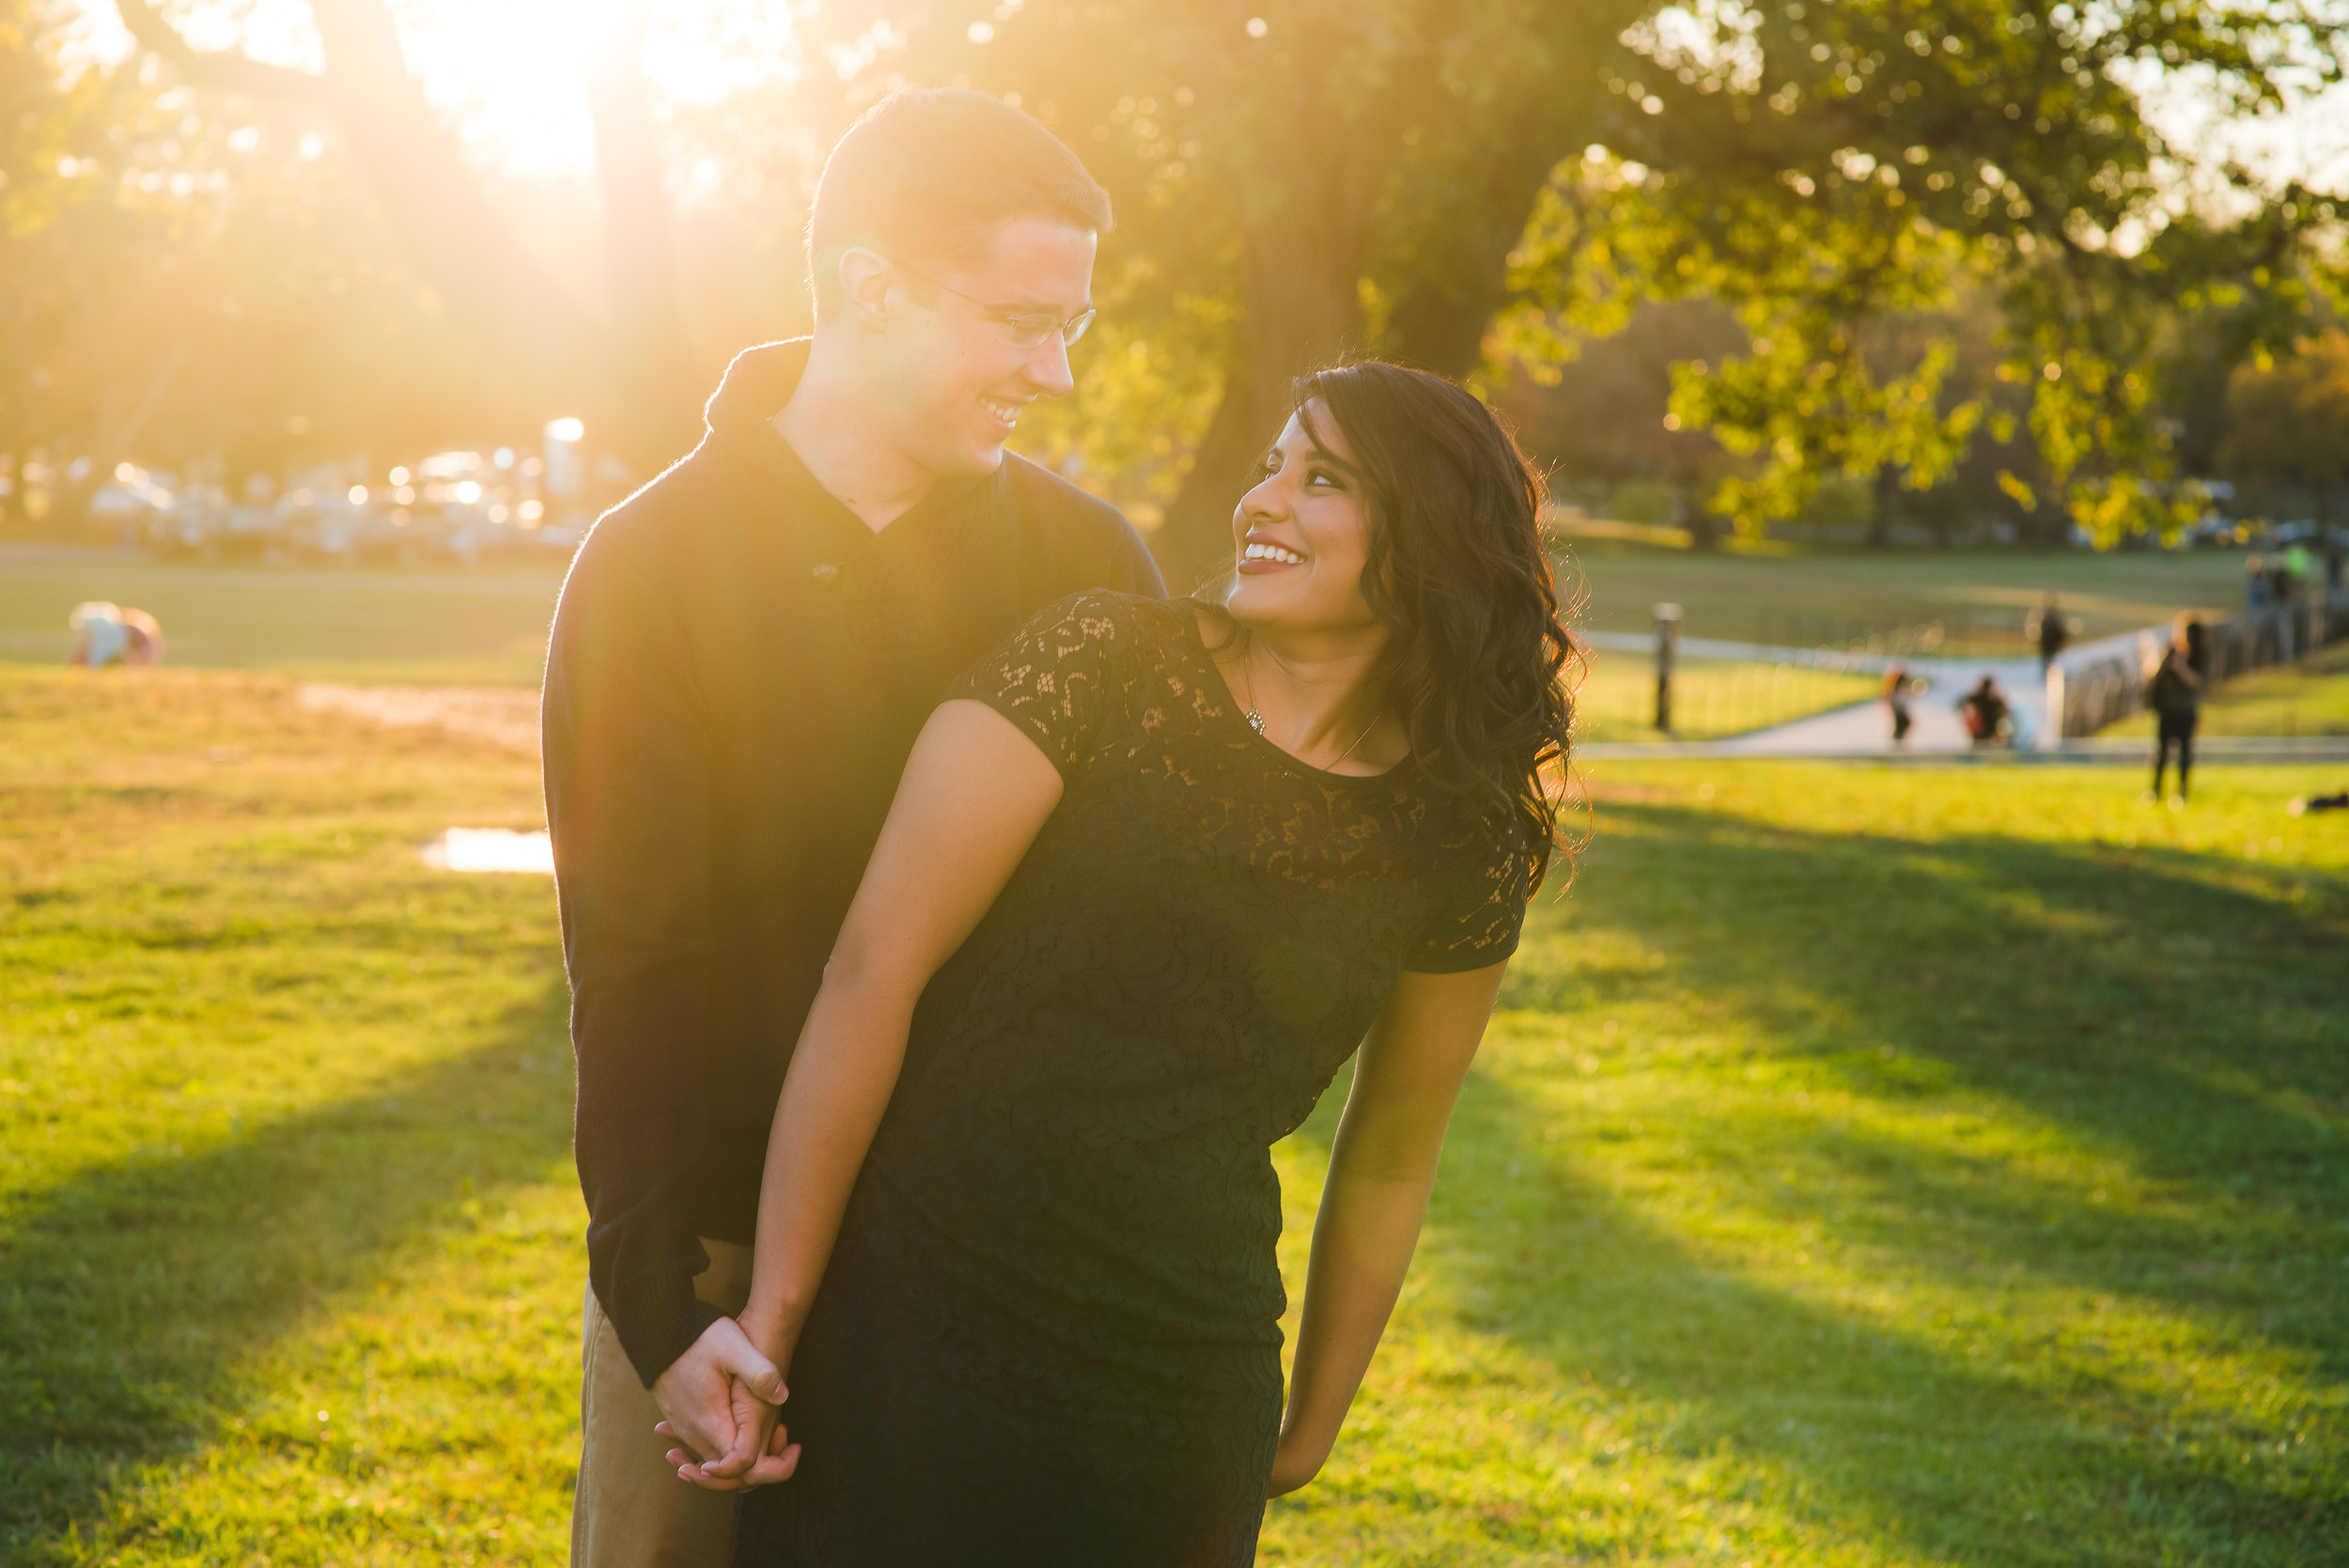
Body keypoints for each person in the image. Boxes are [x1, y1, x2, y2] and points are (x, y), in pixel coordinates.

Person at [692, 362, 1571, 1565]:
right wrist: (776, 1318)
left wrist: (1311, 1418)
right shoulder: (1098, 662)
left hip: (1177, 1376)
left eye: (1321, 478)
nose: (1262, 500)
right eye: (1268, 463)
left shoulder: (1452, 832)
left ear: (1427, 535)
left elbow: (1391, 1153)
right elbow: (868, 975)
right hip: (906, 1317)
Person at [541, 87, 1164, 1568]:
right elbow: (631, 964)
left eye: (1071, 326)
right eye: (1022, 320)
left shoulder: (1090, 566)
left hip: (1009, 1260)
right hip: (717, 1255)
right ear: (870, 288)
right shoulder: (648, 569)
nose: (1056, 372)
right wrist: (661, 1308)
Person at [2148, 618, 2205, 804]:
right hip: (2167, 710)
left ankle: (2182, 792)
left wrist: (2180, 668)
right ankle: (2156, 791)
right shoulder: (2170, 652)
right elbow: (2154, 675)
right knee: (2161, 753)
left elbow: (2198, 682)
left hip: (2186, 711)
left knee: (2184, 755)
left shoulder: (2198, 656)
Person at [1957, 674, 2009, 747]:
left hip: (1982, 729)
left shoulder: (1978, 697)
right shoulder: (1994, 699)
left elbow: (1962, 702)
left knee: (1979, 746)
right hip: (1989, 728)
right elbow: (2004, 710)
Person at [2030, 591, 2068, 673]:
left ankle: (2048, 677)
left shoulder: (2053, 616)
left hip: (2051, 644)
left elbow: (2060, 632)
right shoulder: (2045, 615)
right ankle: (2046, 678)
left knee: (2051, 663)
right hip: (2047, 644)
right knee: (2048, 663)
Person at [1882, 664, 1916, 743]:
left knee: (1903, 724)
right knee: (1903, 724)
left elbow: (1910, 695)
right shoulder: (1895, 689)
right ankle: (1896, 738)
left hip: (1900, 709)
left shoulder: (1902, 688)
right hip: (1897, 709)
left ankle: (1898, 738)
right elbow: (1889, 697)